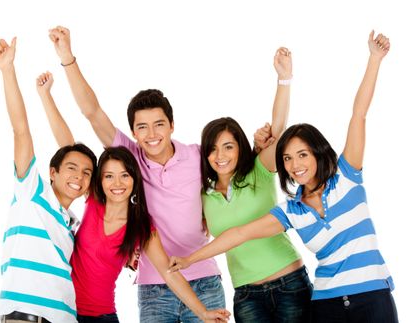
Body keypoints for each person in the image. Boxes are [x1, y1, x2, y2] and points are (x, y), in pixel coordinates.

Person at [169, 31, 398, 323]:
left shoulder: (347, 176)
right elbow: (237, 234)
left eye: (302, 155)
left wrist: (374, 59)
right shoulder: (293, 210)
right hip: (321, 301)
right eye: (287, 158)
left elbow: (358, 114)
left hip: (361, 293)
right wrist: (188, 260)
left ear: (318, 152)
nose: (294, 164)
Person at [47, 26, 225, 322]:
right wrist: (67, 58)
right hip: (152, 285)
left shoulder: (196, 154)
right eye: (142, 127)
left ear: (172, 125)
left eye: (159, 124)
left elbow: (230, 169)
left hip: (204, 278)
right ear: (133, 132)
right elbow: (91, 113)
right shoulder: (127, 159)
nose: (151, 134)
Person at [199, 46, 312, 323]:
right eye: (213, 149)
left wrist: (284, 79)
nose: (221, 156)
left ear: (240, 148)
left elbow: (280, 130)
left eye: (228, 146)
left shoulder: (258, 171)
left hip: (289, 283)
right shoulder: (203, 195)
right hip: (246, 294)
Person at [0, 38, 97, 323]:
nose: (79, 177)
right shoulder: (32, 192)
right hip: (24, 317)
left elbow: (71, 151)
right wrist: (7, 70)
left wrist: (47, 96)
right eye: (72, 169)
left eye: (87, 173)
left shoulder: (71, 221)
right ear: (53, 173)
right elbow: (21, 130)